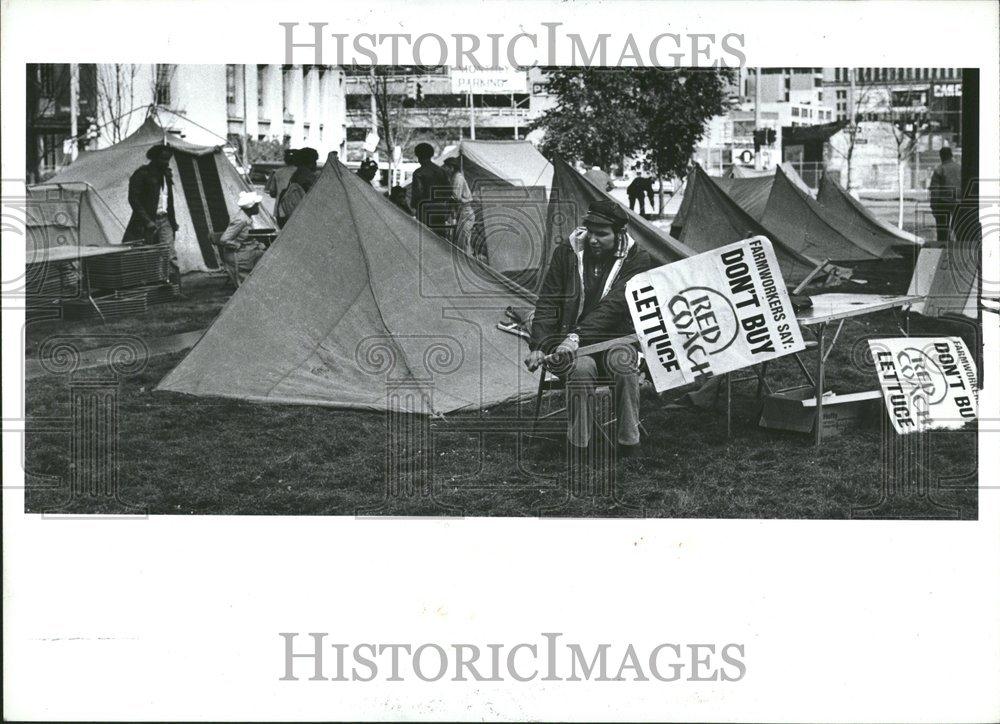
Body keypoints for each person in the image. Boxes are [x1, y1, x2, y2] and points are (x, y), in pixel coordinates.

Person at [524, 200, 654, 459]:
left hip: (615, 339)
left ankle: (629, 443)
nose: (593, 239)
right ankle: (579, 446)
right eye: (590, 231)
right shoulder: (567, 253)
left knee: (624, 362)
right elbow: (549, 300)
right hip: (573, 347)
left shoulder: (637, 259)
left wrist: (576, 337)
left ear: (619, 234)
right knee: (581, 370)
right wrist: (539, 344)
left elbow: (614, 307)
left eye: (602, 234)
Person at [218, 191, 267, 286]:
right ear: (251, 207)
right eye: (257, 205)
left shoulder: (246, 218)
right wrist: (238, 245)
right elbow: (224, 239)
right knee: (245, 284)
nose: (258, 207)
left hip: (248, 252)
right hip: (239, 255)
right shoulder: (241, 220)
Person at [408, 142, 451, 238]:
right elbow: (448, 192)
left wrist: (413, 206)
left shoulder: (418, 173)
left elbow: (417, 193)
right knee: (440, 240)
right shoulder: (441, 171)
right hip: (440, 211)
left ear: (419, 156)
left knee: (425, 240)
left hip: (424, 211)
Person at [276, 147, 319, 228]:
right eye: (314, 161)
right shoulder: (307, 176)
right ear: (310, 162)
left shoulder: (297, 173)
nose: (316, 164)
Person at [443, 157, 475, 253]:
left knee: (463, 241)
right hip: (461, 212)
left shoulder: (458, 178)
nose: (445, 169)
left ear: (452, 167)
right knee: (459, 240)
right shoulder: (454, 177)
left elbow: (456, 196)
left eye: (446, 167)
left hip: (465, 212)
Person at [929, 146, 960, 243]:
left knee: (942, 232)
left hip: (943, 203)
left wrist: (933, 206)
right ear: (951, 156)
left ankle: (943, 252)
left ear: (941, 156)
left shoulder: (940, 169)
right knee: (959, 230)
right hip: (959, 202)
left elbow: (935, 190)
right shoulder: (960, 168)